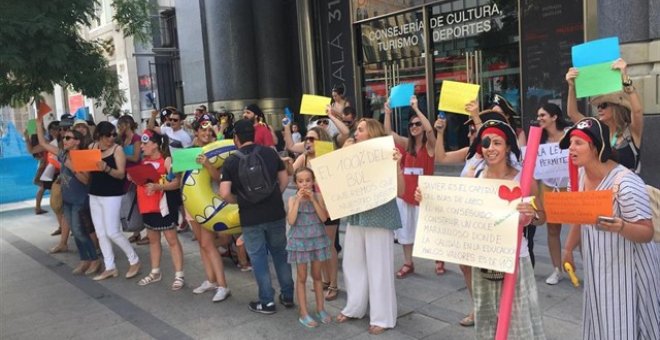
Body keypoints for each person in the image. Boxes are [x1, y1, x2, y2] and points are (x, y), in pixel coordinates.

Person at [425, 119, 546, 339]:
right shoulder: (475, 176)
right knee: (488, 320)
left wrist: (531, 214)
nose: (491, 148)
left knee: (518, 322)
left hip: (515, 260)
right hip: (483, 259)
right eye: (487, 143)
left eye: (497, 143)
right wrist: (428, 198)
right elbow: (458, 210)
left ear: (508, 146)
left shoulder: (524, 178)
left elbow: (542, 218)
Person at [560, 117, 659, 340]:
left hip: (629, 269)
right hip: (598, 264)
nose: (571, 149)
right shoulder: (578, 176)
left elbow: (647, 232)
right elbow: (579, 217)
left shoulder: (625, 183)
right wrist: (568, 249)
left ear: (596, 147)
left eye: (578, 143)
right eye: (570, 143)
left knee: (628, 323)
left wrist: (622, 226)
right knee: (602, 320)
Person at [335, 118, 404, 335]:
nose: (356, 132)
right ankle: (354, 307)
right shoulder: (352, 152)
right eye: (356, 129)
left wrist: (397, 166)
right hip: (357, 214)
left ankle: (382, 317)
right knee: (352, 262)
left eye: (361, 130)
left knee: (379, 267)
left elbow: (401, 191)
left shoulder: (387, 154)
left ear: (372, 133)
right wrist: (343, 156)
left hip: (380, 215)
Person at [219, 119, 294, 314]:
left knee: (259, 258)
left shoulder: (231, 161)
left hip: (250, 217)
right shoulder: (269, 153)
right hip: (275, 212)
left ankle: (267, 301)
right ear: (253, 135)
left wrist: (241, 200)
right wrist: (274, 196)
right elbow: (284, 179)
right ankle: (288, 295)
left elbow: (224, 193)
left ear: (236, 138)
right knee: (280, 253)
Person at [382, 96, 440, 278]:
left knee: (430, 231)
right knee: (406, 231)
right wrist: (388, 113)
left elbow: (430, 131)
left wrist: (416, 109)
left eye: (417, 124)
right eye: (412, 125)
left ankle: (439, 258)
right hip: (405, 195)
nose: (414, 127)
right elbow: (388, 133)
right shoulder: (406, 145)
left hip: (424, 196)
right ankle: (408, 263)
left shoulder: (430, 147)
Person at [35, 116, 101, 275]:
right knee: (75, 232)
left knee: (80, 232)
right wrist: (38, 125)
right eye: (64, 137)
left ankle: (95, 259)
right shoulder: (63, 154)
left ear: (77, 141)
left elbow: (86, 180)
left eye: (68, 138)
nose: (64, 139)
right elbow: (43, 144)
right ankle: (85, 260)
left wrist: (73, 167)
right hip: (68, 200)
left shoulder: (84, 155)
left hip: (80, 200)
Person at [283, 124, 340, 300]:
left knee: (329, 246)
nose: (308, 141)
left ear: (321, 140)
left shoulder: (328, 157)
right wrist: (287, 165)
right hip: (311, 207)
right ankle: (324, 280)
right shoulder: (305, 157)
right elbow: (294, 172)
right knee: (320, 245)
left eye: (312, 138)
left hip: (328, 204)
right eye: (307, 138)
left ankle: (334, 284)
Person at [565, 58, 643, 172]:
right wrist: (571, 87)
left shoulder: (631, 132)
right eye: (598, 106)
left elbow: (637, 111)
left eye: (604, 105)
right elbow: (572, 114)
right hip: (604, 189)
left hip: (627, 189)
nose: (599, 109)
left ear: (617, 107)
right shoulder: (597, 130)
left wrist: (625, 79)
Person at [130, 129, 185, 290]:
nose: (142, 147)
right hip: (147, 206)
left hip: (163, 206)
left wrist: (158, 186)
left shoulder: (166, 160)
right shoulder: (143, 161)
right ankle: (155, 271)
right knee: (153, 240)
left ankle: (179, 275)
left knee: (172, 240)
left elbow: (176, 182)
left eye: (145, 143)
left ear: (155, 145)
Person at [88, 121, 141, 281]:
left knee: (112, 231)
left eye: (113, 134)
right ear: (99, 135)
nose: (111, 138)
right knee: (100, 233)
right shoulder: (91, 147)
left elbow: (121, 174)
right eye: (107, 135)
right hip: (94, 193)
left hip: (112, 194)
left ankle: (134, 259)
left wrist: (106, 168)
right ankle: (109, 266)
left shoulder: (117, 150)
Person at [188, 117, 231, 302]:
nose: (206, 134)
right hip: (191, 202)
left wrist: (207, 164)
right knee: (202, 244)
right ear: (196, 131)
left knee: (208, 244)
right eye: (203, 130)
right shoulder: (189, 151)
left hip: (209, 204)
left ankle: (222, 285)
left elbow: (219, 178)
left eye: (209, 131)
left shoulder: (216, 151)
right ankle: (211, 280)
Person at [286, 167, 332, 328]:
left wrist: (313, 200)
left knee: (317, 275)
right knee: (302, 277)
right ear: (296, 183)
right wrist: (298, 201)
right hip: (300, 241)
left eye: (308, 180)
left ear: (313, 182)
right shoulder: (292, 199)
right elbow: (291, 221)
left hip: (316, 239)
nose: (304, 184)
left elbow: (324, 217)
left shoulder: (318, 196)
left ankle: (320, 308)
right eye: (300, 181)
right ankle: (303, 312)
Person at [535, 103, 570, 284]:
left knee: (581, 229)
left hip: (570, 188)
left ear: (555, 117)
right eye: (539, 116)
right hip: (549, 188)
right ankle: (557, 269)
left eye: (543, 115)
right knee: (553, 229)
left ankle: (579, 262)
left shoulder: (570, 135)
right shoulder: (538, 141)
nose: (539, 118)